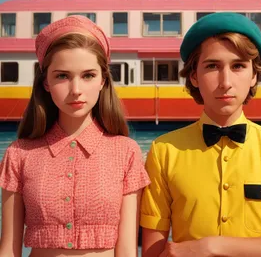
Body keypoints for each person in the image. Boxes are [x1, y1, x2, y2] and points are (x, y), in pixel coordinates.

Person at [140, 12, 261, 257]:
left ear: (254, 75)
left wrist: (210, 246)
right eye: (212, 66)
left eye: (238, 66)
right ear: (194, 76)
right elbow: (153, 250)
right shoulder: (164, 151)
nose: (226, 82)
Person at [0, 15, 150, 257]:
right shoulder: (18, 154)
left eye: (88, 75)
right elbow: (8, 250)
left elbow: (127, 250)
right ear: (46, 82)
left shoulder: (126, 151)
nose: (76, 90)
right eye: (62, 76)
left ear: (103, 80)